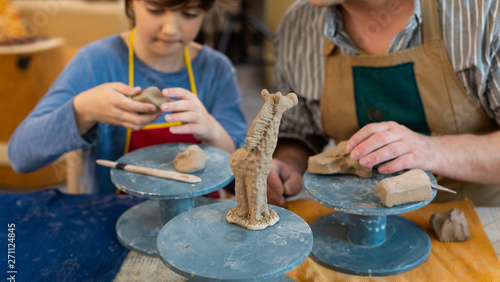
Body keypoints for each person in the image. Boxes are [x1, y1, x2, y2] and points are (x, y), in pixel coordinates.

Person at [268, 0, 500, 207]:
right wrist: (289, 166)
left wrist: (433, 150)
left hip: (475, 217)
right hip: (357, 217)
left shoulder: (482, 13)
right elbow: (298, 132)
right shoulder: (296, 25)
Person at [8, 0, 247, 194]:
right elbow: (21, 156)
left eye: (190, 13)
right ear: (130, 4)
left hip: (196, 226)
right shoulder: (96, 62)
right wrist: (83, 110)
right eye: (155, 10)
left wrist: (214, 133)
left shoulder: (216, 71)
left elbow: (243, 183)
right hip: (112, 220)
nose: (171, 28)